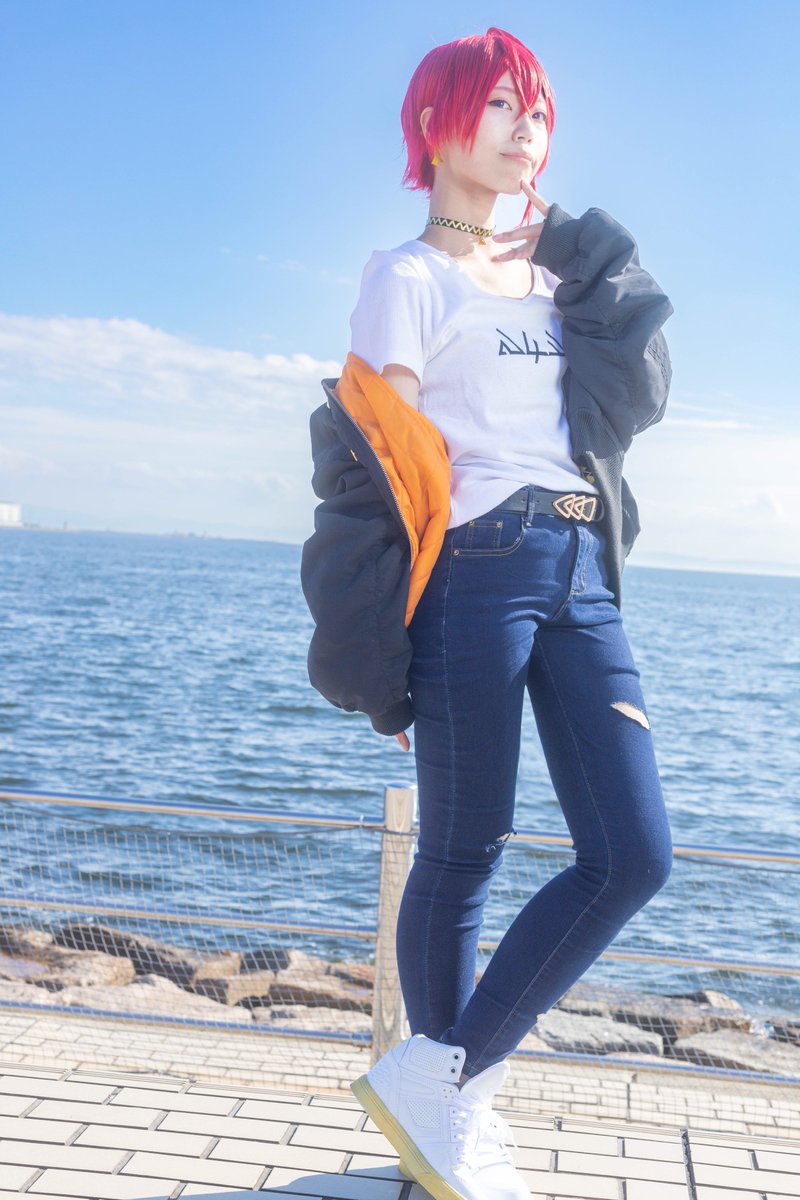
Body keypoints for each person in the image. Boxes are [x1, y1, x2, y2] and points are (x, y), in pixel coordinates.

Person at [301, 26, 675, 1200]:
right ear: (434, 123)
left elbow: (641, 392)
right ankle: (445, 1128)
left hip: (580, 565)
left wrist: (585, 250)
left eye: (538, 108)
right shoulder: (405, 278)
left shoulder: (560, 282)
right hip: (475, 565)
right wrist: (380, 646)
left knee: (633, 855)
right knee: (463, 848)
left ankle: (439, 1083)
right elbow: (380, 472)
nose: (528, 127)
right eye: (501, 103)